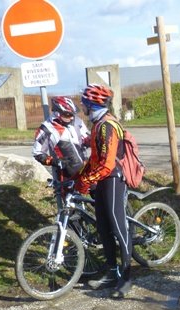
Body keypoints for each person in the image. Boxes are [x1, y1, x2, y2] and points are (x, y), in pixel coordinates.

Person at [74, 84, 131, 298]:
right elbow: (95, 159)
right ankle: (112, 271)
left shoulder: (107, 126)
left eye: (84, 104)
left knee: (118, 228)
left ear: (92, 105)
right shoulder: (98, 124)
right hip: (102, 181)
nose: (82, 108)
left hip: (113, 179)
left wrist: (87, 180)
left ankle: (126, 277)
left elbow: (107, 164)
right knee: (103, 228)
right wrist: (81, 177)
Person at [32, 96, 90, 184]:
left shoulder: (78, 122)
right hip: (67, 174)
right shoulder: (47, 128)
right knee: (71, 197)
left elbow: (87, 139)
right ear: (57, 113)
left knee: (98, 195)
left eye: (73, 114)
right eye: (68, 114)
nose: (71, 118)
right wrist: (55, 162)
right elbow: (37, 153)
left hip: (87, 169)